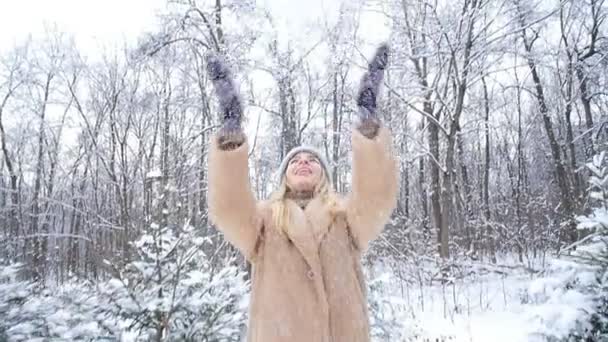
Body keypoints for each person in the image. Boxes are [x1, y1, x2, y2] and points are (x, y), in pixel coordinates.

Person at [206, 44, 398, 342]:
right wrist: (231, 137)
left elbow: (377, 198)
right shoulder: (263, 222)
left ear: (323, 174)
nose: (303, 162)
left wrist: (370, 128)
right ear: (285, 177)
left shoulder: (345, 218)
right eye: (295, 161)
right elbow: (228, 208)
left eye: (311, 160)